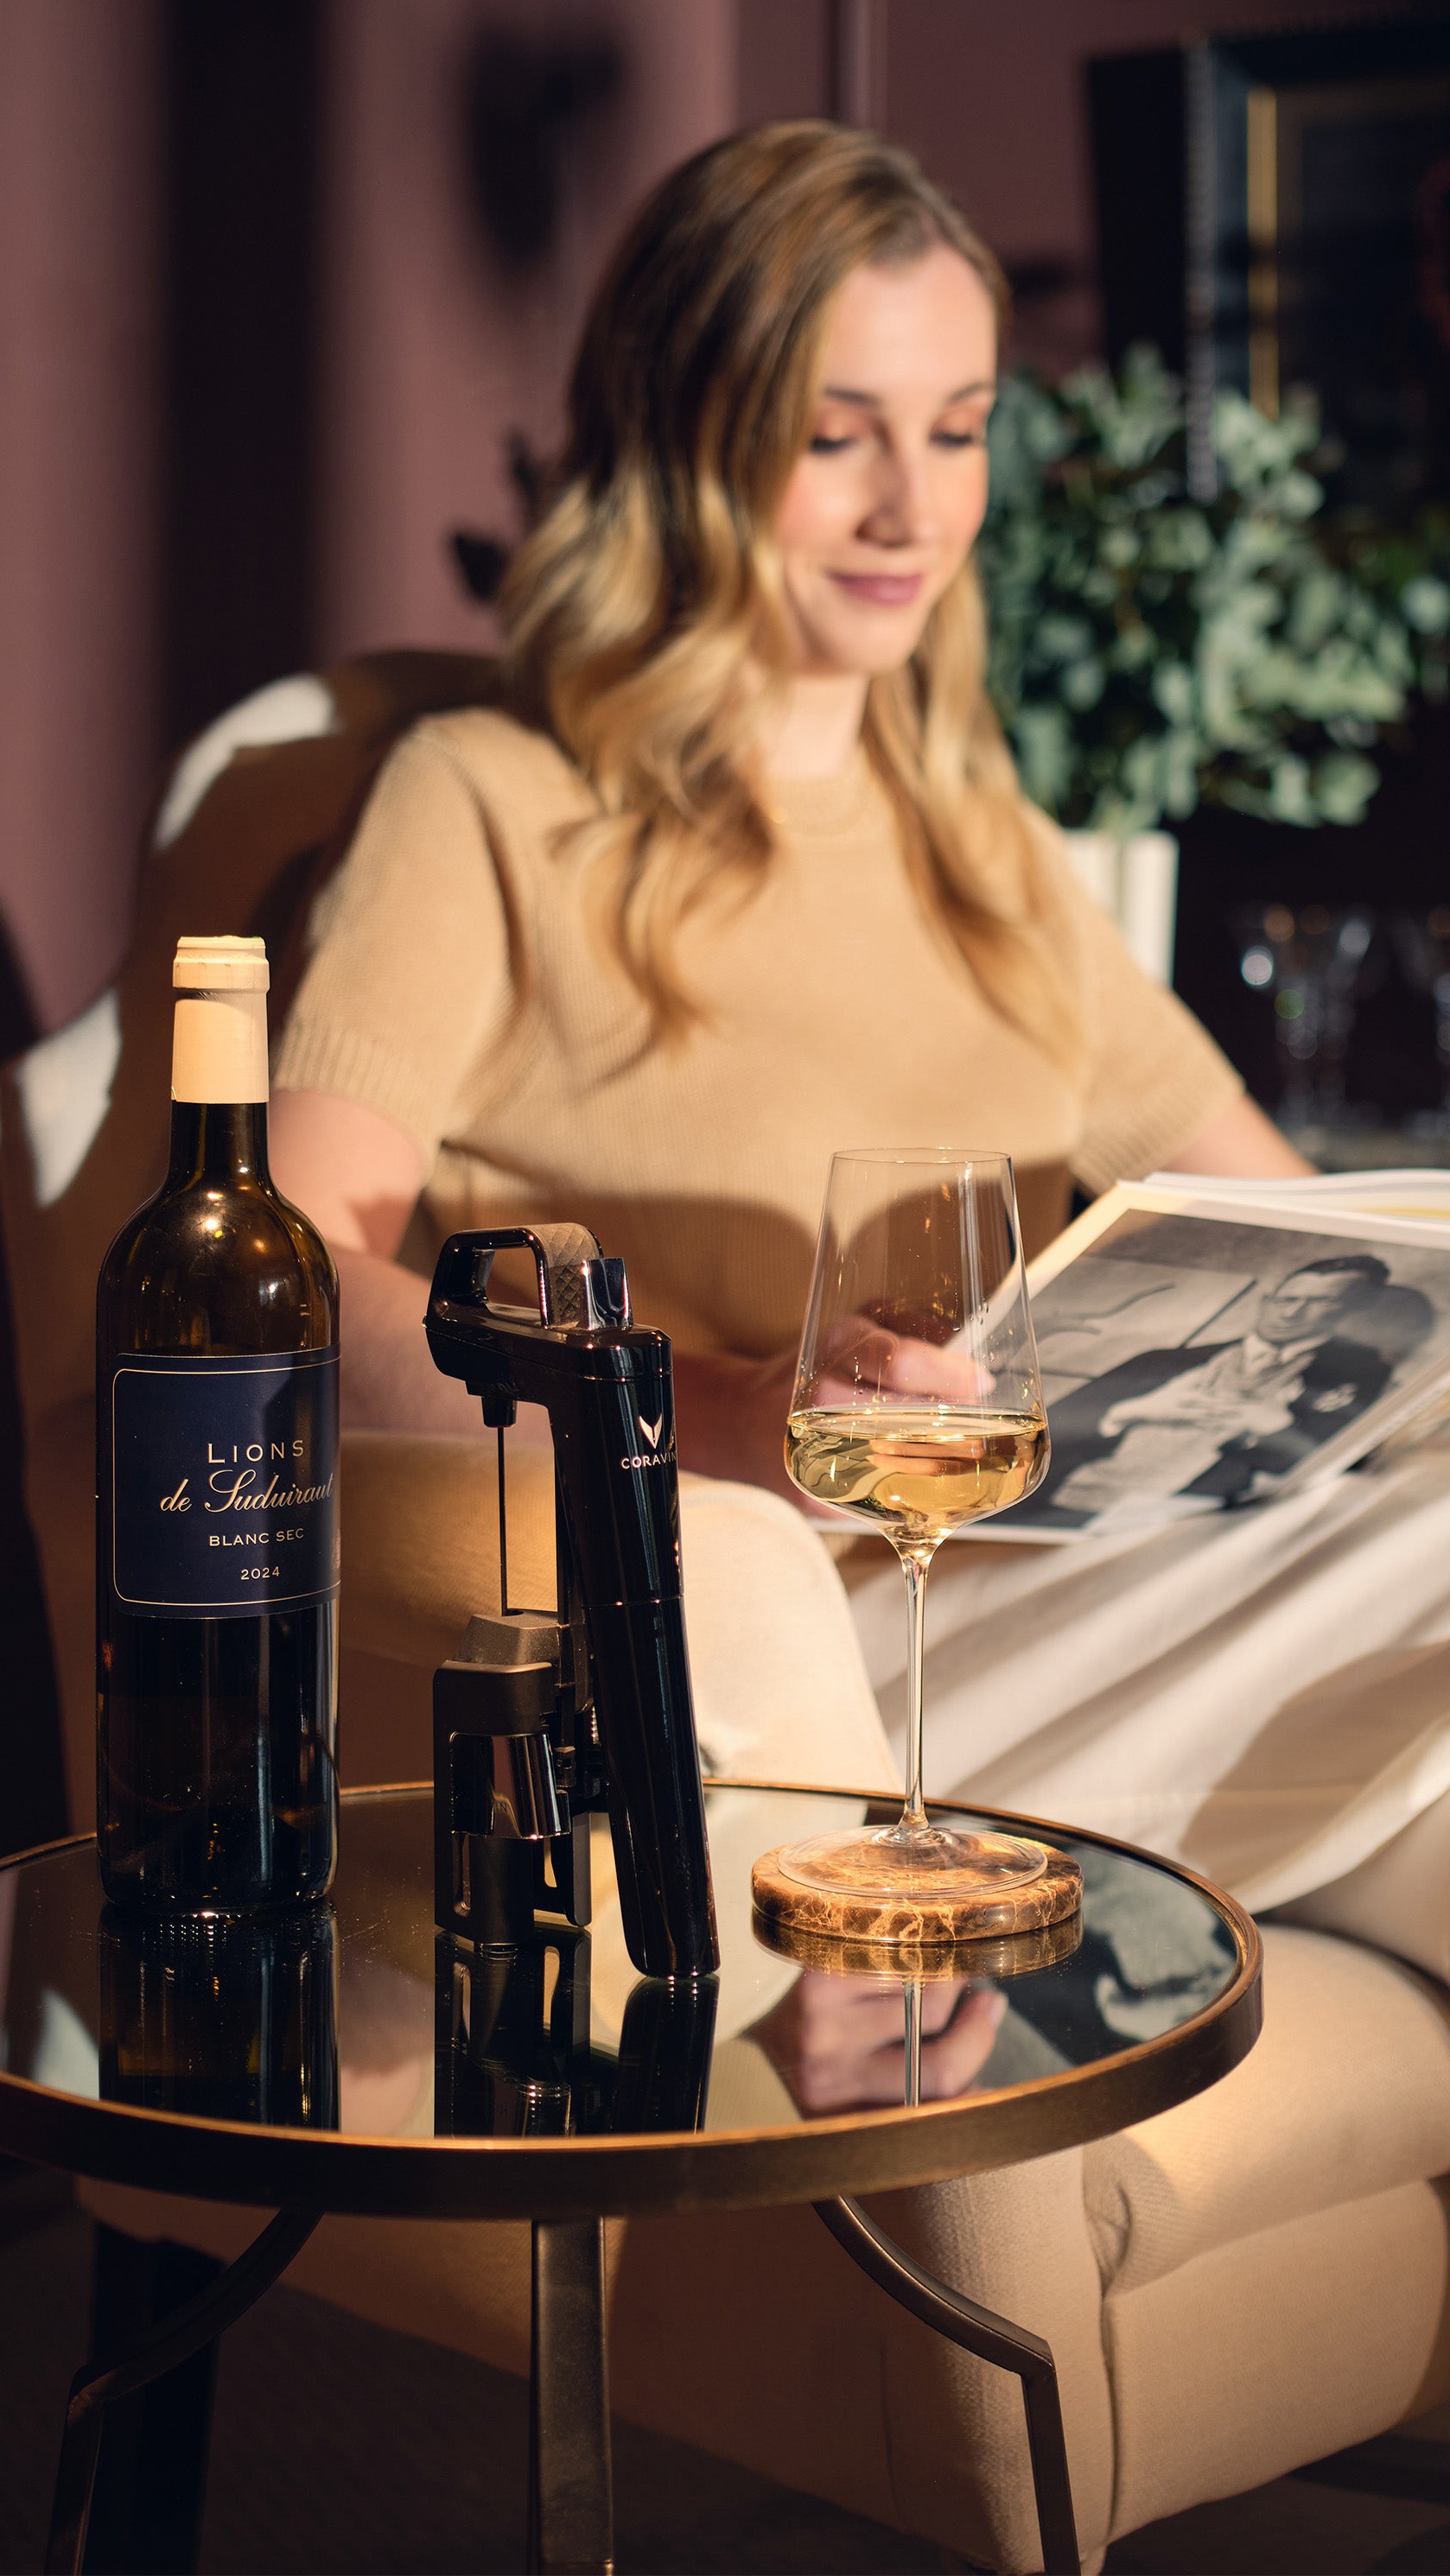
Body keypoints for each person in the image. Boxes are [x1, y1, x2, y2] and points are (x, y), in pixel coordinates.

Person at [266, 123, 1450, 1975]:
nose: (915, 505)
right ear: (687, 439)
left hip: (1080, 1601)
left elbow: (1339, 1259)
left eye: (959, 427)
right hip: (793, 1658)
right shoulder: (487, 805)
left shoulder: (984, 849)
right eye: (836, 438)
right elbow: (275, 1288)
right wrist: (718, 1408)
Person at [1042, 1253, 1397, 1521]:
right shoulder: (1162, 1361)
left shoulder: (1361, 1379)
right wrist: (1126, 1413)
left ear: (1352, 1310)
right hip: (1069, 1506)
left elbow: (1335, 1475)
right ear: (1267, 1301)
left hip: (1197, 1524)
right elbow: (1044, 1435)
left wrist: (1276, 1428)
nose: (1291, 1314)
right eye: (1287, 1300)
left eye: (1321, 1302)